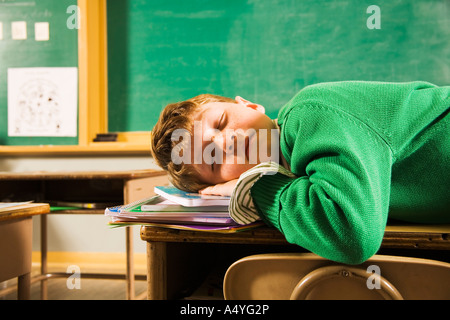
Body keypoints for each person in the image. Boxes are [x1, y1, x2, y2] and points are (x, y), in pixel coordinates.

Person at [150, 81, 450, 264]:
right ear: (225, 182)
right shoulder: (298, 170)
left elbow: (351, 236)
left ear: (249, 104)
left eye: (221, 123)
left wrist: (257, 190)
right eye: (213, 159)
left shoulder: (309, 112)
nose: (227, 141)